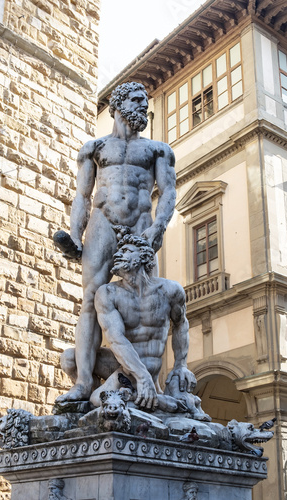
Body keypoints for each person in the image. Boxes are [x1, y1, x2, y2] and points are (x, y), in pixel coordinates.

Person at [56, 82, 176, 403]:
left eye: (145, 101)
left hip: (141, 227)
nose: (143, 107)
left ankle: (148, 381)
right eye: (137, 100)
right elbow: (82, 197)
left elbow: (167, 194)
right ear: (118, 105)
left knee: (147, 303)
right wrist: (74, 235)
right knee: (89, 302)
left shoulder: (157, 150)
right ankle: (83, 382)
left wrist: (157, 230)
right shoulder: (94, 149)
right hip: (102, 224)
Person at [90, 234, 195, 410]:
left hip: (148, 364)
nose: (118, 255)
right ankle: (151, 399)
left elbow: (181, 325)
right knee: (70, 359)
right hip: (125, 363)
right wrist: (142, 377)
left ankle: (139, 397)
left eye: (125, 251)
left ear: (143, 256)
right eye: (118, 251)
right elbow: (116, 338)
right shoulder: (108, 293)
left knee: (96, 400)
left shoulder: (170, 290)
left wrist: (181, 365)